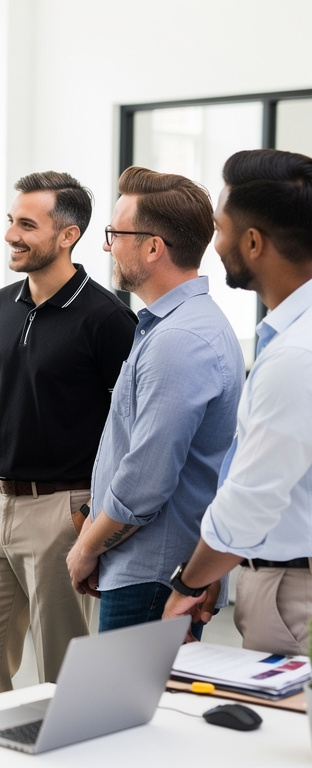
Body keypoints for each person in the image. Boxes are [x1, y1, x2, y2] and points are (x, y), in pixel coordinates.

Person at [0, 171, 137, 700]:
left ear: (68, 235)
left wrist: (91, 517)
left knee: (65, 674)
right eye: (11, 221)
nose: (12, 235)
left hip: (62, 512)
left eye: (27, 225)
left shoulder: (108, 319)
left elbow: (128, 428)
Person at [65, 166, 244, 633]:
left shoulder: (180, 339)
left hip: (152, 576)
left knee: (123, 709)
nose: (106, 246)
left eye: (114, 233)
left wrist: (87, 548)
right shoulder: (173, 326)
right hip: (145, 569)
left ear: (152, 247)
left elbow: (147, 480)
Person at [163, 148, 312, 656]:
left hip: (294, 594)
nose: (215, 245)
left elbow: (250, 501)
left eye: (220, 229)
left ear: (253, 242)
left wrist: (189, 582)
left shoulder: (295, 354)